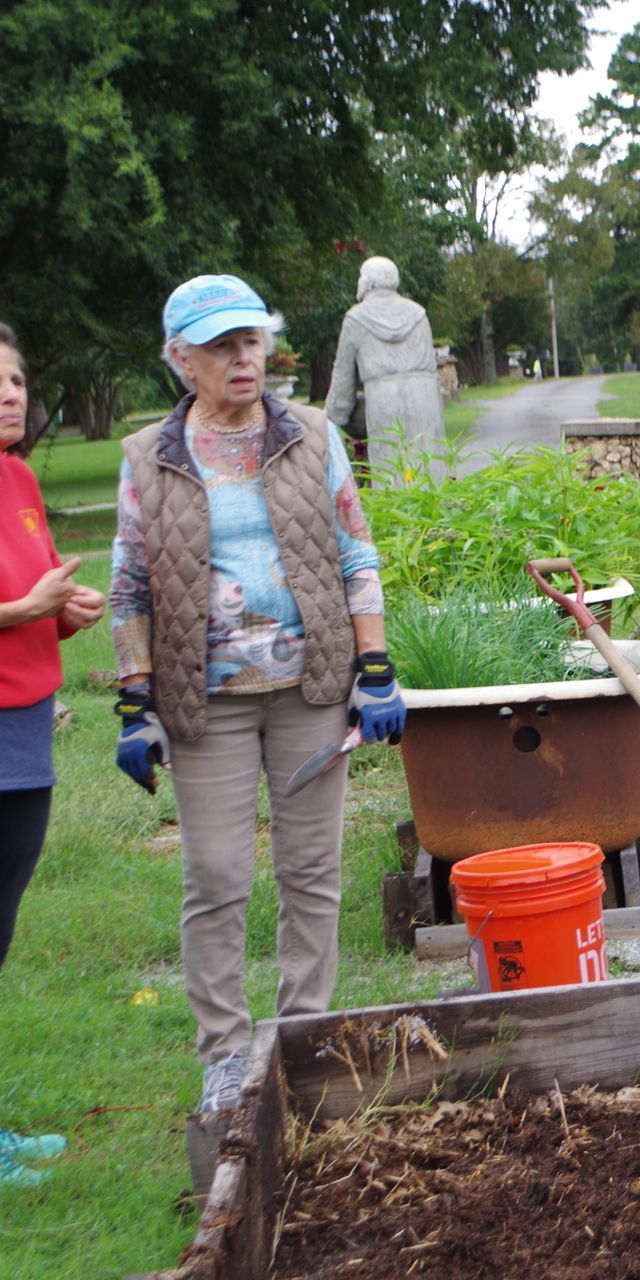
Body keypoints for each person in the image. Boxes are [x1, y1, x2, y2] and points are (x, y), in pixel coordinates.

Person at [109, 275, 407, 1118]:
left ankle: (306, 1038)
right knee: (216, 874)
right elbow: (129, 586)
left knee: (312, 871)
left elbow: (356, 552)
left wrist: (375, 665)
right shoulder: (148, 457)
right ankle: (224, 1055)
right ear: (181, 360)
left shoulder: (311, 435)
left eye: (251, 340)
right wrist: (136, 701)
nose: (242, 358)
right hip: (205, 700)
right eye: (219, 346)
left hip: (311, 686)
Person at [0, 322, 103, 1187]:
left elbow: (26, 592)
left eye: (17, 380)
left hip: (27, 722)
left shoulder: (21, 478)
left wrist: (58, 610)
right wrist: (23, 606)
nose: (10, 393)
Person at [323, 256, 445, 480]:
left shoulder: (356, 318)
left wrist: (329, 421)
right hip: (425, 401)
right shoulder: (419, 315)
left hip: (383, 402)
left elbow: (343, 385)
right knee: (431, 473)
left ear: (368, 282)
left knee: (391, 475)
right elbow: (431, 369)